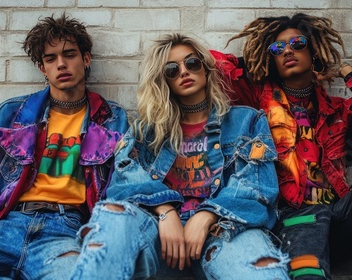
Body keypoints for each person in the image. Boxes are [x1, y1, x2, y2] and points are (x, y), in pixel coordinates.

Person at [211, 13, 352, 280]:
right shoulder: (256, 102)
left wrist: (347, 72)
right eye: (278, 48)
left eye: (297, 44)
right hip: (292, 221)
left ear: (314, 51)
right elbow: (210, 66)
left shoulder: (340, 112)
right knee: (308, 272)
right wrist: (257, 63)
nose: (288, 51)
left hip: (342, 221)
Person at [69, 33, 290, 280]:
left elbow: (259, 187)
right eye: (172, 70)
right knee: (115, 216)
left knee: (260, 269)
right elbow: (122, 182)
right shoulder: (147, 130)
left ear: (206, 69)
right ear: (164, 81)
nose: (184, 72)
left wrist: (207, 215)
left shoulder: (246, 120)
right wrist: (165, 210)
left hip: (225, 228)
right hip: (159, 234)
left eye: (192, 63)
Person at [0, 14, 128, 279]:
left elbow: (121, 187)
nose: (61, 64)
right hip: (4, 230)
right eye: (50, 59)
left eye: (69, 54)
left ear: (86, 59)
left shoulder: (112, 120)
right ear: (42, 68)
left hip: (64, 233)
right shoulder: (9, 116)